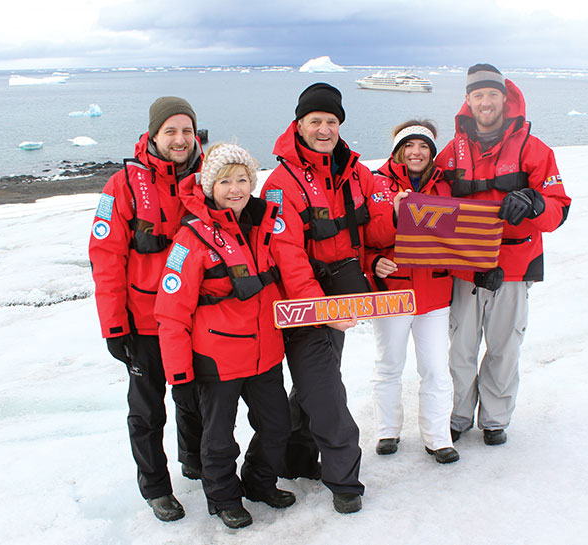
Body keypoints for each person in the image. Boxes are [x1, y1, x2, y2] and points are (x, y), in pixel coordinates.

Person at [260, 83, 390, 514]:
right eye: (315, 121)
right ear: (299, 125)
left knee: (315, 384)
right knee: (327, 391)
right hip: (304, 306)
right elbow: (287, 254)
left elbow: (373, 232)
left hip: (344, 299)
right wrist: (321, 310)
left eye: (331, 121)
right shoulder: (280, 183)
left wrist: (396, 213)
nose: (323, 129)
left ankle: (293, 459)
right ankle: (344, 480)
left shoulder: (357, 174)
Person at [155, 143, 299, 529]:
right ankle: (223, 498)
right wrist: (179, 373)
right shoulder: (191, 238)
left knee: (277, 425)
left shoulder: (266, 224)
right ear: (209, 187)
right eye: (224, 181)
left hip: (266, 351)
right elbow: (171, 310)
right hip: (216, 356)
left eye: (242, 179)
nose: (235, 188)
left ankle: (259, 481)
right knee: (218, 437)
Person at [435, 64, 571, 446]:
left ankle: (495, 418)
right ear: (469, 100)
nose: (485, 102)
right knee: (460, 348)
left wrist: (532, 201)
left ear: (504, 97)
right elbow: (431, 195)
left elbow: (559, 207)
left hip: (513, 267)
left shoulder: (534, 148)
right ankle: (459, 414)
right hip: (465, 269)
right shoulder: (453, 150)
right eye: (477, 95)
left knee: (504, 347)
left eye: (491, 94)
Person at [88, 96, 204, 521]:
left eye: (187, 131)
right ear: (153, 135)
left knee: (196, 400)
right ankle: (155, 486)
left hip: (197, 318)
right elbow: (105, 258)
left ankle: (194, 462)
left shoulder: (209, 179)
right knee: (148, 409)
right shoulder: (121, 186)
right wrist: (114, 326)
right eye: (170, 131)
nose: (180, 139)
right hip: (145, 323)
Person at [363, 120, 459, 464]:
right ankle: (387, 430)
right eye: (409, 146)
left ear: (432, 153)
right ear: (398, 150)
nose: (416, 152)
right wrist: (374, 260)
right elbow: (366, 236)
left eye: (423, 147)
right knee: (389, 364)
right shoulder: (376, 184)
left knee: (435, 367)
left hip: (434, 291)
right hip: (393, 291)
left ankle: (437, 436)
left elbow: (458, 235)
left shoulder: (446, 186)